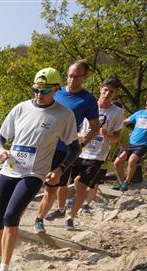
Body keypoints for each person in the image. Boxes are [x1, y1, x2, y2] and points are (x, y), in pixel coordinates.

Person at [0, 68, 79, 271]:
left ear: (56, 89)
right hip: (10, 169)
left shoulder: (64, 115)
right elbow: (0, 138)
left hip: (34, 173)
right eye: (35, 90)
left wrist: (60, 169)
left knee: (11, 216)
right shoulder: (21, 108)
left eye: (44, 91)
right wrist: (0, 150)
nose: (39, 94)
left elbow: (74, 148)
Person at [35, 60, 99, 233]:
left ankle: (39, 219)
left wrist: (82, 143)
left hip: (63, 150)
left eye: (77, 76)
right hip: (41, 146)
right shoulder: (56, 91)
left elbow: (95, 127)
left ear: (84, 77)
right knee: (33, 183)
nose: (72, 80)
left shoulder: (88, 99)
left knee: (51, 187)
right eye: (70, 76)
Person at [66, 76, 125, 225]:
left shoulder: (117, 112)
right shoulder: (87, 104)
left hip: (97, 155)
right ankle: (67, 206)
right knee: (74, 181)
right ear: (100, 89)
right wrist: (80, 135)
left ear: (115, 94)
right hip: (79, 149)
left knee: (82, 185)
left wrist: (108, 135)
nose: (107, 94)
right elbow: (71, 128)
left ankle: (71, 217)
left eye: (111, 92)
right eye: (105, 90)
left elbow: (117, 138)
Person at [113, 95, 147, 191]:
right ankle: (121, 183)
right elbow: (125, 122)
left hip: (143, 144)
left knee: (132, 160)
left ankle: (127, 182)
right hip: (130, 142)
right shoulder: (140, 113)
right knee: (117, 162)